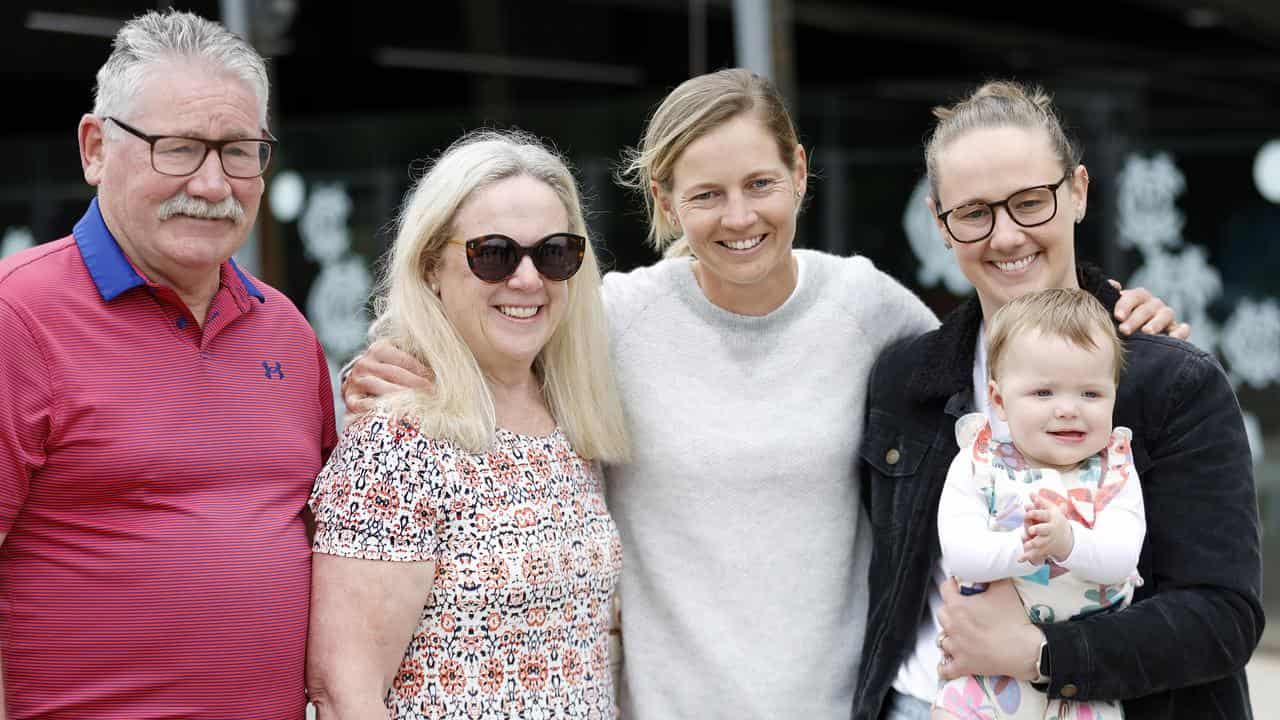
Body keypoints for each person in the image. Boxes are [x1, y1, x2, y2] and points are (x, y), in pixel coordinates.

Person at [341, 70, 1181, 719]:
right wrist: (391, 363)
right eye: (705, 194)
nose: (737, 216)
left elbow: (1007, 355)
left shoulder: (869, 308)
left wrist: (1117, 309)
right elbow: (491, 326)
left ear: (801, 173)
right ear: (664, 201)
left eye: (758, 183)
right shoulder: (608, 322)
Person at [854, 81, 1263, 720]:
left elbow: (1222, 618)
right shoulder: (906, 378)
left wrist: (1042, 653)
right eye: (974, 212)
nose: (1007, 235)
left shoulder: (1169, 382)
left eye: (1029, 202)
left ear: (1076, 191)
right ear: (941, 223)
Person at [0, 10, 337, 719]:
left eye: (240, 151)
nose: (214, 185)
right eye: (180, 148)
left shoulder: (285, 332)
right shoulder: (18, 317)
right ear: (95, 148)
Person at [304, 129, 630, 719]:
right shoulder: (396, 442)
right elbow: (344, 692)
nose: (528, 280)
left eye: (554, 253)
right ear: (432, 266)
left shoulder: (572, 421)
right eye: (494, 254)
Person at [933, 288, 1144, 720]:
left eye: (1090, 394)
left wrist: (1066, 543)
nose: (1068, 410)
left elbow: (1121, 559)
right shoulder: (979, 462)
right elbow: (962, 554)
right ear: (999, 400)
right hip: (985, 686)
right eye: (1043, 393)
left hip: (1080, 686)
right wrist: (1025, 547)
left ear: (1114, 395)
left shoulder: (1114, 471)